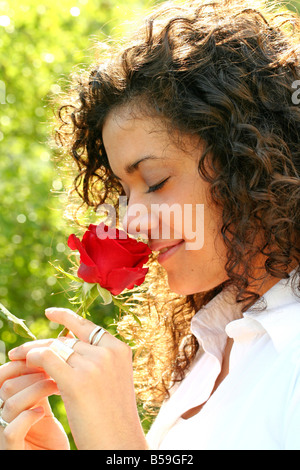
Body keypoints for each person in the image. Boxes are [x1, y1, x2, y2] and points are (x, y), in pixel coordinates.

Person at [0, 0, 299, 450]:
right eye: (124, 192)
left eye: (155, 181)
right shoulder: (213, 344)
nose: (131, 219)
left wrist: (116, 442)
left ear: (252, 162)